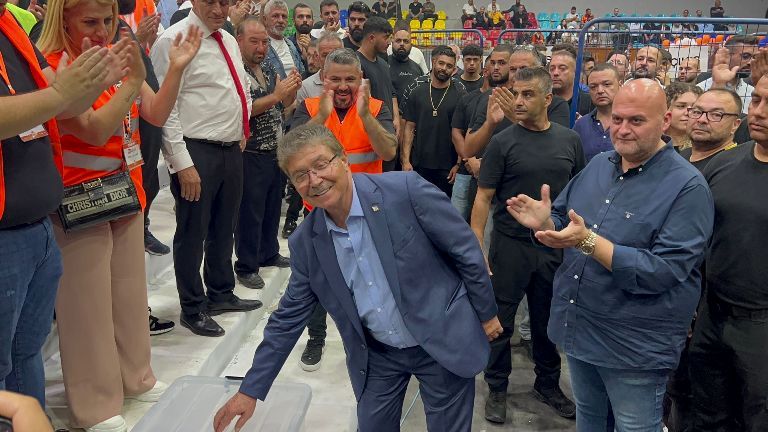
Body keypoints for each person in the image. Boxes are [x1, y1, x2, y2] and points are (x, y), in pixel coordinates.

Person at [213, 123, 501, 432]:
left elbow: (464, 249)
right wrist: (250, 389)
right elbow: (287, 319)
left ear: (343, 159)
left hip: (440, 338)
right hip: (379, 356)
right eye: (300, 175)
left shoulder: (405, 191)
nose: (315, 180)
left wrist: (486, 314)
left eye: (321, 165)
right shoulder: (307, 243)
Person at [506, 79, 714, 431]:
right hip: (581, 329)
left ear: (665, 121)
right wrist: (547, 222)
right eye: (617, 119)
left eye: (636, 121)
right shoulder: (600, 165)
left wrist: (588, 241)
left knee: (634, 426)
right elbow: (565, 218)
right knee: (591, 417)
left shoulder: (688, 187)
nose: (623, 129)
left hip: (633, 346)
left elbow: (663, 271)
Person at [37, 0, 202, 429]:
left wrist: (175, 69)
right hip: (77, 200)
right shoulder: (54, 67)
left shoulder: (114, 54)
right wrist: (131, 82)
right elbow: (93, 128)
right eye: (90, 21)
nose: (102, 29)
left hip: (125, 191)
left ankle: (135, 377)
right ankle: (95, 404)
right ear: (63, 19)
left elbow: (155, 112)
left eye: (109, 20)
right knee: (85, 308)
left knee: (129, 296)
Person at [0, 0, 124, 409]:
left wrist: (101, 78)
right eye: (90, 20)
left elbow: (67, 104)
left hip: (36, 225)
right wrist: (60, 92)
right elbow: (58, 100)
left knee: (26, 353)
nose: (101, 27)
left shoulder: (10, 25)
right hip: (8, 234)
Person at [472, 66, 582, 424]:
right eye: (515, 94)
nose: (517, 101)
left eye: (527, 94)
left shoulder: (569, 141)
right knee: (501, 321)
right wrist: (476, 244)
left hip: (553, 246)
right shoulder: (502, 142)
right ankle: (497, 386)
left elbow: (579, 193)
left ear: (547, 99)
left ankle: (547, 384)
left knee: (547, 320)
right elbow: (483, 197)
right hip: (510, 247)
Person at [150, 0, 263, 338]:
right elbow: (165, 108)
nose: (218, 9)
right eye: (210, 1)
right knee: (192, 231)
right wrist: (181, 162)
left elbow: (239, 87)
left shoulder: (227, 38)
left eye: (224, 2)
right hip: (195, 149)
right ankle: (193, 307)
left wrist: (242, 127)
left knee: (224, 226)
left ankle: (220, 292)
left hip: (231, 147)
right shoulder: (172, 40)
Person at [291, 48, 398, 371]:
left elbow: (388, 151)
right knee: (317, 279)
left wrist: (365, 116)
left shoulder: (375, 108)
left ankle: (375, 340)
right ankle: (316, 337)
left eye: (349, 79)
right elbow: (291, 152)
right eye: (334, 79)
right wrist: (321, 116)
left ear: (360, 80)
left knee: (371, 280)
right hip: (319, 211)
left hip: (367, 212)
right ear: (323, 79)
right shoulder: (310, 107)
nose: (342, 86)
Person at [688, 74, 768, 432]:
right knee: (708, 413)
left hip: (760, 325)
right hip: (712, 313)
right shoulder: (725, 164)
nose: (759, 112)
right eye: (757, 100)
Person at [233, 17, 300, 290]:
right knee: (250, 211)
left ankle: (269, 252)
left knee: (272, 205)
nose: (261, 48)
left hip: (275, 148)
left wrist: (290, 91)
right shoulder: (235, 70)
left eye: (264, 42)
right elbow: (243, 110)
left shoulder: (269, 66)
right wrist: (277, 96)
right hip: (250, 151)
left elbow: (284, 104)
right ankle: (247, 265)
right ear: (238, 40)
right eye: (254, 42)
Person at [463, 47, 570, 159]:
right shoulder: (495, 98)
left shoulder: (555, 104)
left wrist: (516, 118)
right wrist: (490, 124)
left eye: (524, 68)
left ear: (540, 70)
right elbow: (468, 150)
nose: (518, 74)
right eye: (513, 69)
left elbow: (556, 149)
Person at [401, 46, 466, 197]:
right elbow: (409, 128)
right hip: (419, 164)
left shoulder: (460, 95)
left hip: (448, 167)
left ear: (454, 70)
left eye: (449, 66)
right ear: (434, 62)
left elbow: (462, 132)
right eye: (441, 63)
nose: (444, 68)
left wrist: (458, 164)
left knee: (444, 207)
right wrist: (405, 161)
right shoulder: (417, 92)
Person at [356, 17, 400, 170]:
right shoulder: (356, 64)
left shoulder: (383, 63)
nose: (389, 42)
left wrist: (396, 118)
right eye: (386, 37)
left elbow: (391, 92)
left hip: (388, 130)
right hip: (371, 134)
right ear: (371, 38)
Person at [680, 89, 741, 170]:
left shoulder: (733, 166)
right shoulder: (683, 155)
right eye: (697, 112)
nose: (701, 119)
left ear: (735, 125)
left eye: (716, 114)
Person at [698, 35, 760, 114]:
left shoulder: (753, 93)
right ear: (727, 55)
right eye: (745, 56)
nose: (750, 62)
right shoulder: (700, 90)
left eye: (754, 57)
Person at [573, 64, 621, 162]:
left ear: (620, 85)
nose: (600, 91)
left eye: (606, 84)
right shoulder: (581, 125)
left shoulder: (632, 124)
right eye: (593, 86)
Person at [296, 33, 343, 105]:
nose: (331, 59)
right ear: (317, 57)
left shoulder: (354, 83)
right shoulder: (306, 87)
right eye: (325, 55)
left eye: (336, 54)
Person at [262, 0, 304, 79]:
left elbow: (301, 72)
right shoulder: (261, 45)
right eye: (275, 16)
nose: (281, 20)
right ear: (265, 19)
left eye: (284, 16)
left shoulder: (291, 44)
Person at [388, 22, 422, 105]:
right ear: (392, 42)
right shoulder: (383, 65)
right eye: (398, 41)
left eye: (406, 41)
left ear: (411, 45)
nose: (402, 44)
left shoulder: (417, 69)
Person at [664, 82, 703, 151]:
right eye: (681, 106)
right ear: (666, 108)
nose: (688, 113)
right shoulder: (653, 144)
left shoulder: (705, 147)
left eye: (695, 108)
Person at [289, 3, 314, 70]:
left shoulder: (319, 44)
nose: (305, 20)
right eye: (300, 17)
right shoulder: (286, 44)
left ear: (313, 21)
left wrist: (311, 49)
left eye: (308, 17)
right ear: (293, 21)